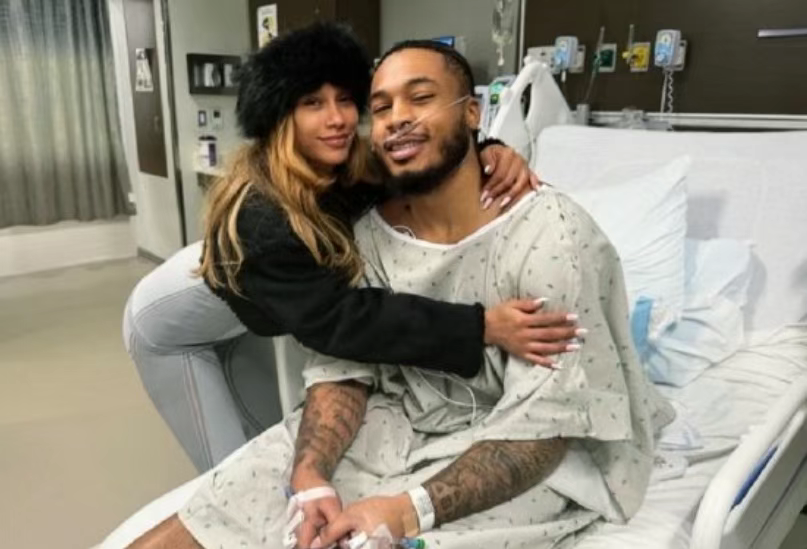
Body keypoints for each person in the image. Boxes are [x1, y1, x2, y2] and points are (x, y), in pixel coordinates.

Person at [127, 39, 675, 549]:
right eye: (382, 106)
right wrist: (310, 470)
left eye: (418, 98)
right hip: (185, 317)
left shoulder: (548, 236)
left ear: (472, 111)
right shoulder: (272, 221)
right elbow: (344, 330)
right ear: (278, 121)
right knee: (234, 483)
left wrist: (491, 148)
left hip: (469, 411)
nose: (386, 119)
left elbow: (550, 419)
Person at [123, 22, 578, 473]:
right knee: (234, 468)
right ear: (279, 117)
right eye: (312, 103)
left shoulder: (350, 166)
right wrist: (480, 327)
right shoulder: (260, 217)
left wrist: (488, 151)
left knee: (270, 438)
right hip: (169, 331)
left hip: (258, 306)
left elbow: (425, 160)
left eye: (344, 100)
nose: (338, 119)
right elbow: (341, 320)